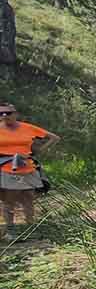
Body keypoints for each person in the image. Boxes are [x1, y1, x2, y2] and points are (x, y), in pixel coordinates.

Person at [0, 101, 59, 241]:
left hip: (27, 167)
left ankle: (30, 229)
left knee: (28, 199)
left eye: (8, 113)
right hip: (6, 167)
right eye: (0, 113)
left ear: (15, 114)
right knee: (9, 200)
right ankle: (10, 232)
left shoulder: (27, 128)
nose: (4, 115)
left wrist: (37, 152)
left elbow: (54, 138)